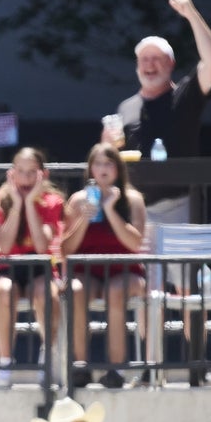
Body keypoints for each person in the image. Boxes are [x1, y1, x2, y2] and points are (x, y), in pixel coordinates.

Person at [103, 0, 211, 225]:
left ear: (171, 64)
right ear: (137, 66)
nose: (150, 64)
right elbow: (111, 157)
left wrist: (191, 13)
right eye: (144, 59)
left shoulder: (185, 96)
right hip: (136, 210)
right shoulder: (125, 107)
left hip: (180, 206)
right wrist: (107, 145)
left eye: (157, 58)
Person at [62, 144, 146, 389]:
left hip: (125, 270)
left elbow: (135, 243)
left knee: (115, 291)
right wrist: (83, 219)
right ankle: (81, 366)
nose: (103, 169)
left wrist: (110, 209)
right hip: (87, 270)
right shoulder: (78, 201)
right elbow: (66, 249)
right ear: (90, 169)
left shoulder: (132, 199)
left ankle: (116, 370)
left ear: (118, 169)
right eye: (97, 164)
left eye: (108, 163)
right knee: (75, 290)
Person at [0, 147, 64, 388]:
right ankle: (5, 362)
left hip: (39, 266)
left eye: (32, 172)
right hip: (8, 265)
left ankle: (47, 357)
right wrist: (17, 204)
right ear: (12, 174)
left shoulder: (52, 201)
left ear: (43, 175)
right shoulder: (1, 198)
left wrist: (30, 203)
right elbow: (5, 245)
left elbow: (41, 246)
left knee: (46, 294)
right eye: (20, 171)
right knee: (3, 291)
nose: (26, 178)